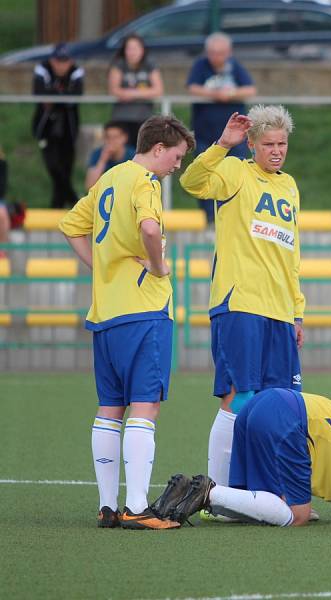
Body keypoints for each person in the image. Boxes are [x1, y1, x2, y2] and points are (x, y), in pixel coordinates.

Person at [58, 115, 195, 530]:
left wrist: (100, 270)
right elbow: (150, 228)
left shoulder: (107, 179)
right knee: (145, 405)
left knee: (109, 407)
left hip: (105, 313)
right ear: (158, 148)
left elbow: (70, 226)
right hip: (143, 311)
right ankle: (136, 506)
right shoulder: (144, 182)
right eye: (176, 156)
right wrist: (158, 267)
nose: (176, 166)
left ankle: (107, 506)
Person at [179, 106, 304, 493]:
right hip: (240, 304)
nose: (277, 150)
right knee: (241, 395)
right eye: (268, 144)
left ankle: (268, 491)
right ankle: (217, 494)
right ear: (252, 145)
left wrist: (297, 312)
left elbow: (292, 253)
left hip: (280, 310)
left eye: (282, 143)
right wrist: (221, 145)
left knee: (279, 404)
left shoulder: (290, 186)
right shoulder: (234, 172)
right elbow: (191, 181)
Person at [150, 388, 331, 528]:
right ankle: (207, 491)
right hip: (292, 420)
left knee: (259, 502)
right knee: (299, 515)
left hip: (269, 403)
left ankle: (196, 494)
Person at [186, 32, 256, 223]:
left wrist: (230, 93)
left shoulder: (235, 67)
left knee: (236, 172)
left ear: (229, 52)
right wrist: (215, 94)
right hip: (205, 133)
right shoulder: (201, 66)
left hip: (236, 136)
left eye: (221, 53)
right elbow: (192, 87)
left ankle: (234, 212)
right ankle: (210, 216)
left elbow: (250, 89)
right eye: (213, 53)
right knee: (204, 172)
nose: (217, 57)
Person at [32, 42, 84, 209]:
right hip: (46, 128)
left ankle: (57, 208)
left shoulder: (76, 71)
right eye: (57, 61)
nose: (61, 66)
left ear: (70, 61)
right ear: (52, 61)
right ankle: (76, 202)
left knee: (66, 168)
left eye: (65, 61)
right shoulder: (42, 69)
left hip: (68, 128)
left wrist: (54, 97)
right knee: (54, 168)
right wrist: (61, 96)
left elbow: (73, 99)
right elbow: (40, 96)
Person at [108, 34, 164, 145]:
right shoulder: (118, 65)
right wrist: (145, 93)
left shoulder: (149, 64)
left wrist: (131, 93)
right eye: (129, 48)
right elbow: (114, 90)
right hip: (121, 117)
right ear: (124, 50)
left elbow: (158, 90)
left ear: (142, 50)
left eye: (136, 48)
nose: (132, 52)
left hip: (144, 117)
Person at [84, 121, 136, 190]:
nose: (111, 141)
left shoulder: (134, 155)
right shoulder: (98, 154)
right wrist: (102, 160)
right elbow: (89, 186)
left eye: (115, 137)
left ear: (125, 138)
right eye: (108, 137)